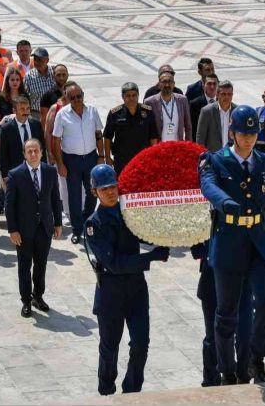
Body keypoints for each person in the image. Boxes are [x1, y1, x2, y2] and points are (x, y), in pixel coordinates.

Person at [200, 105, 265, 385]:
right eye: (243, 133)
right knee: (226, 314)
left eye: (252, 134)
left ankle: (255, 359)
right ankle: (228, 370)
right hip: (229, 244)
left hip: (259, 243)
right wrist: (223, 202)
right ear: (232, 132)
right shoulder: (215, 160)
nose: (248, 139)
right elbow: (208, 185)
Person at [84, 164, 170, 395]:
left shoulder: (130, 212)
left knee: (141, 344)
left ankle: (132, 391)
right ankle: (106, 388)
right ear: (95, 192)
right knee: (110, 348)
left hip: (136, 290)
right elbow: (114, 263)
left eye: (113, 187)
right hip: (111, 292)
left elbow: (151, 229)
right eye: (104, 189)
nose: (111, 192)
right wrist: (150, 258)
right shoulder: (93, 225)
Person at [6, 139, 63, 318]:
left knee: (41, 264)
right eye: (29, 151)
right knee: (24, 266)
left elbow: (55, 198)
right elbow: (10, 205)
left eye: (36, 151)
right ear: (24, 154)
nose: (33, 154)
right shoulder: (15, 174)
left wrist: (58, 223)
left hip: (44, 227)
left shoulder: (50, 171)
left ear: (41, 152)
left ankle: (38, 296)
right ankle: (26, 300)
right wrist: (12, 229)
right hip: (24, 229)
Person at [52, 83, 105, 241]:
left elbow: (98, 134)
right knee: (74, 195)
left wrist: (101, 156)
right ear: (67, 99)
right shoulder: (62, 114)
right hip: (71, 160)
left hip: (90, 157)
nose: (76, 100)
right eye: (72, 97)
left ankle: (86, 219)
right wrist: (60, 164)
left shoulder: (92, 111)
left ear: (83, 95)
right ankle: (76, 229)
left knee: (93, 192)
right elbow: (56, 141)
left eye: (79, 96)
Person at [102, 82, 159, 175]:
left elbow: (153, 137)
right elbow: (107, 137)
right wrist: (107, 158)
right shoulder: (115, 113)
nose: (131, 98)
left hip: (142, 158)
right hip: (122, 160)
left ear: (138, 96)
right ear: (123, 97)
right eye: (128, 96)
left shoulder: (147, 111)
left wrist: (153, 156)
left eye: (134, 95)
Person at [0, 96, 45, 184]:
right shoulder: (6, 129)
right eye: (22, 109)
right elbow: (3, 154)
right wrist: (5, 175)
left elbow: (42, 148)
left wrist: (44, 168)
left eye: (27, 109)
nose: (26, 112)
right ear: (14, 111)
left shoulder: (36, 125)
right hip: (15, 174)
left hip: (36, 171)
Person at [145, 71, 192, 141]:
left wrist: (188, 144)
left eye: (170, 82)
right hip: (160, 147)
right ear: (159, 84)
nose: (167, 85)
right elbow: (147, 128)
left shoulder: (182, 100)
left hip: (178, 145)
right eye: (164, 82)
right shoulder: (150, 102)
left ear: (174, 84)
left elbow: (188, 125)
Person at [196, 80, 236, 152]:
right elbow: (200, 138)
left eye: (229, 94)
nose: (226, 97)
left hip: (231, 155)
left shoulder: (237, 111)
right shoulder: (207, 111)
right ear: (217, 94)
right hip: (213, 156)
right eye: (223, 94)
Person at [24, 47, 54, 123]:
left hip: (54, 113)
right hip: (36, 115)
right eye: (35, 59)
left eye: (39, 60)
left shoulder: (55, 73)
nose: (37, 62)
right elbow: (24, 96)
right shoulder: (29, 76)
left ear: (47, 60)